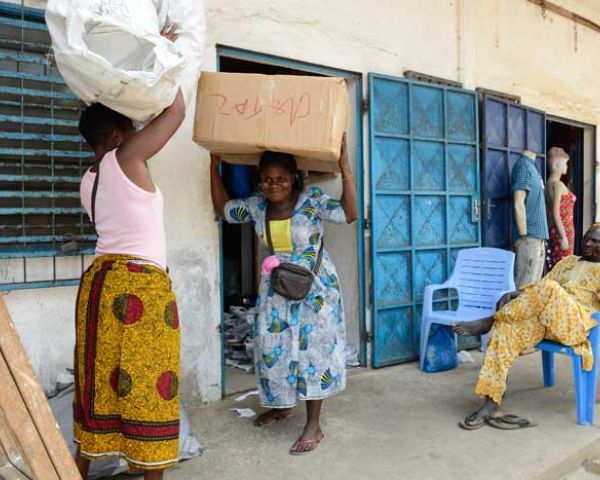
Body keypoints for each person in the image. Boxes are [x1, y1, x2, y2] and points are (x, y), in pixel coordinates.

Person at [73, 29, 185, 479]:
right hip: (139, 286)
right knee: (149, 385)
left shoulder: (88, 180)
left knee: (99, 382)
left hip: (100, 286)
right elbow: (175, 110)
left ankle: (77, 468)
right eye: (134, 126)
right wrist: (162, 51)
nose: (142, 132)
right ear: (119, 134)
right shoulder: (127, 156)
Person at [210, 134, 358, 455]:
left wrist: (345, 168)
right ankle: (282, 405)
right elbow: (223, 210)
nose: (273, 185)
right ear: (259, 182)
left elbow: (349, 213)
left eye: (280, 179)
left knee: (312, 352)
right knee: (272, 347)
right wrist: (214, 166)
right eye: (266, 179)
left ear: (294, 179)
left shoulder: (313, 200)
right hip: (276, 288)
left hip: (315, 288)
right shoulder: (256, 205)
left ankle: (313, 424)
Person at [453, 224, 600, 430]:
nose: (588, 243)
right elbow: (539, 288)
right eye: (587, 238)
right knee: (505, 330)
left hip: (573, 324)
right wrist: (515, 294)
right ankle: (491, 404)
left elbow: (547, 289)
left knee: (551, 288)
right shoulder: (568, 261)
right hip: (545, 320)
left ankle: (490, 320)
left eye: (595, 241)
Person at [546, 147, 576, 267]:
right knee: (564, 265)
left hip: (557, 229)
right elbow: (555, 212)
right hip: (563, 229)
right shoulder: (557, 184)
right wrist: (563, 236)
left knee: (559, 264)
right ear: (557, 164)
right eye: (565, 163)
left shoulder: (548, 183)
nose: (567, 167)